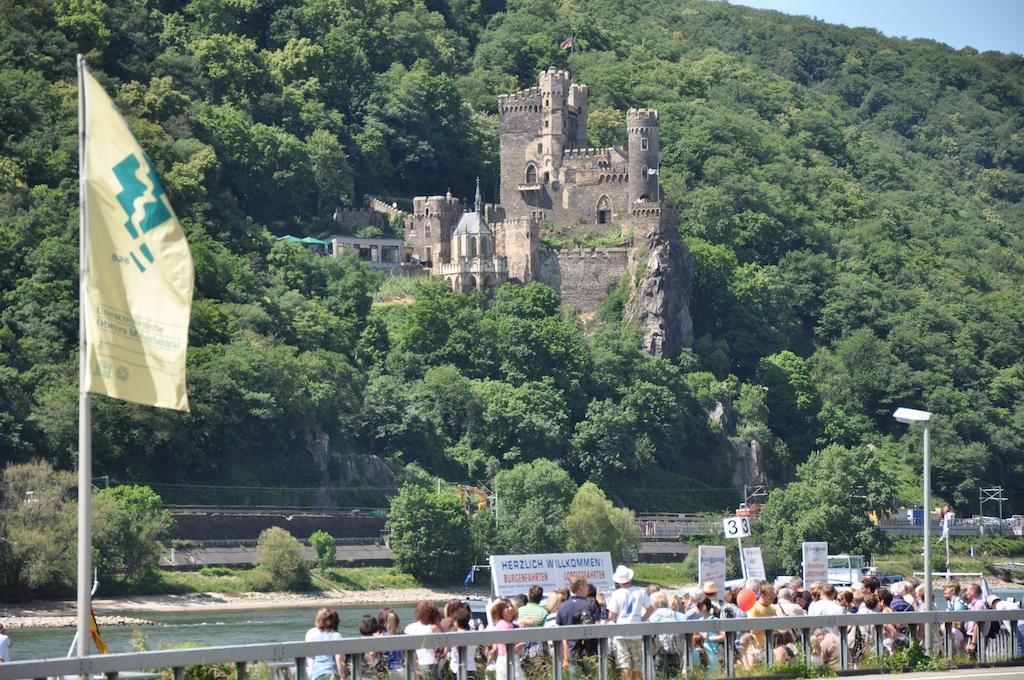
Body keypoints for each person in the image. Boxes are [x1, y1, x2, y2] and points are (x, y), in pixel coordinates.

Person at [606, 565, 652, 680]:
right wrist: (643, 619)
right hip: (636, 631)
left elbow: (611, 615)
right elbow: (650, 608)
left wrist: (616, 622)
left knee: (624, 663)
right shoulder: (640, 591)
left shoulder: (616, 594)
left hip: (621, 632)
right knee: (638, 663)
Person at [556, 576, 601, 678]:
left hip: (571, 652)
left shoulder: (562, 607)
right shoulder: (590, 605)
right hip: (590, 652)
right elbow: (598, 628)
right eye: (586, 586)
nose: (587, 588)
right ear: (581, 587)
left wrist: (565, 656)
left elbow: (558, 632)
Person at [648, 590, 684, 676]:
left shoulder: (652, 618)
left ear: (654, 604)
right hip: (677, 652)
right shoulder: (680, 616)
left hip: (659, 653)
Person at [306, 608, 346, 680]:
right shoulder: (336, 635)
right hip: (331, 673)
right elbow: (339, 658)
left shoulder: (311, 633)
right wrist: (342, 676)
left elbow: (309, 656)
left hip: (315, 674)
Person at [406, 601, 442, 679]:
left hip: (417, 663)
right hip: (431, 662)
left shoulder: (409, 627)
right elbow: (441, 646)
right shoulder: (434, 628)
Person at [490, 599, 524, 680]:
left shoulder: (501, 624)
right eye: (506, 607)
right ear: (501, 611)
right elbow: (510, 648)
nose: (510, 608)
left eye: (511, 606)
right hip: (508, 659)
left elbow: (495, 649)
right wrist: (522, 644)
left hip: (502, 659)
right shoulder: (504, 625)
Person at [450, 608, 478, 680]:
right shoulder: (474, 634)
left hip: (456, 669)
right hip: (471, 668)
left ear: (456, 621)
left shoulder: (453, 635)